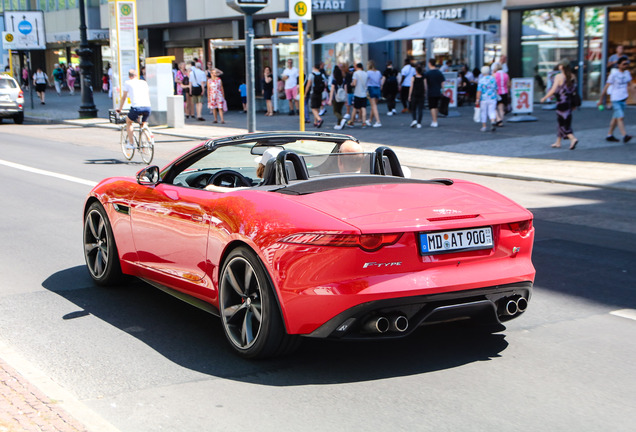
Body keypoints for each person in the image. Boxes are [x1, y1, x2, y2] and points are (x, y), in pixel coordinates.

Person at [540, 59, 579, 149]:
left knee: (562, 123)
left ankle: (572, 138)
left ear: (562, 66)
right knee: (563, 121)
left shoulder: (559, 76)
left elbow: (553, 90)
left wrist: (545, 97)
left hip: (561, 102)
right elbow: (573, 90)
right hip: (569, 102)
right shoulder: (572, 76)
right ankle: (558, 142)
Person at [205, 147, 281, 192]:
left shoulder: (262, 190)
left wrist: (211, 187)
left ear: (262, 168)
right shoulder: (289, 187)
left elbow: (240, 191)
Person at [598, 55, 633, 143]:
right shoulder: (614, 74)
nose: (626, 65)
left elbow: (630, 85)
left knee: (616, 117)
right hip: (615, 98)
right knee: (620, 117)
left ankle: (609, 134)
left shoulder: (627, 73)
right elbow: (606, 86)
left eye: (627, 64)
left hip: (623, 98)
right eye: (624, 64)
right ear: (619, 65)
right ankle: (625, 135)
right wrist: (601, 99)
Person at [116, 69, 151, 150]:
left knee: (129, 122)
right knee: (143, 123)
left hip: (136, 108)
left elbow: (124, 97)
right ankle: (149, 138)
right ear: (136, 75)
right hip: (147, 107)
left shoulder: (128, 83)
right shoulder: (143, 82)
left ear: (129, 76)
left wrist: (120, 108)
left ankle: (131, 143)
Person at [476, 65, 498, 132]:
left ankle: (484, 126)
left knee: (483, 112)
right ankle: (493, 121)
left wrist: (477, 99)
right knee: (492, 111)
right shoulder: (493, 79)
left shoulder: (481, 80)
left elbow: (479, 91)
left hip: (484, 98)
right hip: (493, 97)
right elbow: (496, 88)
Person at [425, 59, 445, 128]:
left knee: (432, 106)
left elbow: (425, 84)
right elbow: (443, 82)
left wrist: (425, 91)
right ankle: (435, 119)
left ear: (430, 63)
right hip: (438, 91)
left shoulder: (427, 73)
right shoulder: (439, 72)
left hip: (431, 91)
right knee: (436, 106)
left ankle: (434, 121)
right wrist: (443, 90)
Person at [305, 63, 327, 128]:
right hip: (320, 93)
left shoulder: (311, 75)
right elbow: (325, 83)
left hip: (313, 93)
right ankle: (315, 122)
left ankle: (319, 119)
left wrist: (305, 93)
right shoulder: (322, 75)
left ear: (314, 67)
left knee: (313, 108)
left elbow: (308, 85)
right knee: (316, 107)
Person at [347, 63, 368, 128]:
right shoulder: (365, 73)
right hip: (364, 93)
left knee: (355, 108)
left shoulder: (355, 73)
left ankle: (352, 122)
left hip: (357, 93)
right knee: (363, 108)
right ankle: (364, 122)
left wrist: (351, 84)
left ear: (357, 67)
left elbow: (354, 83)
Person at [329, 64, 346, 130]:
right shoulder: (343, 80)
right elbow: (345, 89)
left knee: (335, 111)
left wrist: (330, 99)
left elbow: (332, 90)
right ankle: (339, 124)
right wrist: (346, 98)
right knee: (340, 110)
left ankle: (341, 119)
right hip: (342, 97)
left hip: (336, 98)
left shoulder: (334, 81)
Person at [493, 62, 510, 126]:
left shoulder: (494, 75)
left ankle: (498, 119)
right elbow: (508, 84)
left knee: (493, 108)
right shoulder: (506, 75)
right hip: (504, 92)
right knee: (501, 108)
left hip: (497, 93)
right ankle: (501, 121)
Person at [366, 60, 382, 127]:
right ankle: (370, 120)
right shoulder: (378, 72)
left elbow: (366, 81)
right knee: (374, 105)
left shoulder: (368, 72)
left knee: (373, 106)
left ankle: (378, 121)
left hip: (371, 88)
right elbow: (380, 79)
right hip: (377, 88)